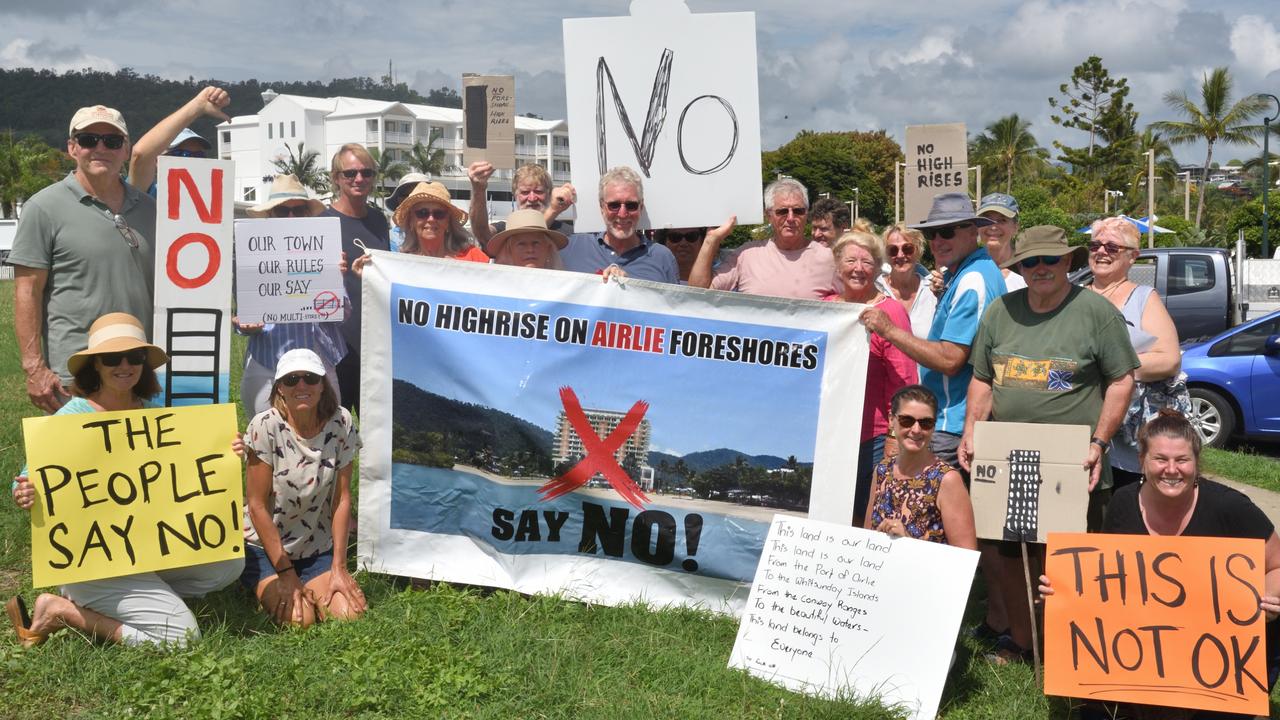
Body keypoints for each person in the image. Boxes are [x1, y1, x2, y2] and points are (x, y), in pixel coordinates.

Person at [7, 313, 243, 647]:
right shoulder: (72, 416)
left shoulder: (155, 412)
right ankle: (65, 610)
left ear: (144, 364)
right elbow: (25, 479)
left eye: (134, 357)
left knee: (228, 563)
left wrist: (227, 450)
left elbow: (185, 467)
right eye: (112, 358)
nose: (124, 365)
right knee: (183, 638)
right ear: (96, 366)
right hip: (91, 559)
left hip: (142, 547)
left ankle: (143, 594)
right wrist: (24, 492)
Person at [960, 225, 1139, 665]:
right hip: (1007, 454)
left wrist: (1100, 442)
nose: (1040, 269)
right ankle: (1022, 641)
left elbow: (1122, 379)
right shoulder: (1000, 312)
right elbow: (983, 377)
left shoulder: (1096, 313)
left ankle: (1071, 646)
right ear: (1019, 267)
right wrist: (971, 430)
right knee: (1005, 553)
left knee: (1067, 556)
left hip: (1073, 459)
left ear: (1068, 263)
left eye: (1050, 260)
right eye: (1030, 261)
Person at [1038, 410, 1280, 719]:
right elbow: (1108, 584)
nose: (1171, 470)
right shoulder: (1124, 502)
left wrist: (1266, 601)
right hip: (1145, 651)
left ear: (1197, 462)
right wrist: (1063, 590)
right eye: (1160, 459)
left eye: (1182, 460)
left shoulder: (1229, 507)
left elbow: (1276, 566)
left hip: (1216, 657)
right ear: (1142, 460)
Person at [8, 105, 157, 414]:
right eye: (89, 139)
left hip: (139, 372)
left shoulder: (150, 209)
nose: (100, 148)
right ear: (72, 148)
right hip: (75, 378)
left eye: (112, 141)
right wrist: (34, 367)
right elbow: (27, 291)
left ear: (126, 149)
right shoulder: (43, 208)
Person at [859, 192, 1004, 469]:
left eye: (946, 232)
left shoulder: (973, 279)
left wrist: (889, 330)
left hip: (951, 424)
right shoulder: (969, 272)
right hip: (953, 420)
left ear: (973, 231)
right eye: (932, 233)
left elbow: (950, 359)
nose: (938, 241)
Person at [241, 349, 365, 627]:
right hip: (263, 546)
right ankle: (256, 580)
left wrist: (339, 567)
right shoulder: (264, 426)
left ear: (323, 384)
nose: (301, 386)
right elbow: (257, 505)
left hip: (315, 544)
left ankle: (314, 579)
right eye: (291, 379)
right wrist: (286, 574)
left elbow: (343, 499)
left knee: (350, 615)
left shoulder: (342, 422)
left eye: (310, 378)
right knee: (301, 620)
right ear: (280, 389)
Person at [234, 175, 346, 415]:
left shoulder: (325, 252)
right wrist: (244, 325)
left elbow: (343, 315)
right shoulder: (255, 256)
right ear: (271, 215)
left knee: (324, 441)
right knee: (265, 440)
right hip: (267, 362)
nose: (291, 217)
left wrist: (336, 282)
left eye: (299, 210)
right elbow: (244, 316)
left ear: (308, 214)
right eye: (283, 211)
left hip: (318, 363)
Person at [826, 231, 917, 524]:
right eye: (850, 260)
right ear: (837, 266)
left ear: (878, 269)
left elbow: (905, 380)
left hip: (874, 437)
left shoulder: (890, 311)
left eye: (867, 262)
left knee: (871, 519)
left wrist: (894, 437)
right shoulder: (824, 307)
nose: (858, 268)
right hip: (831, 436)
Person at [1086, 217, 1184, 488]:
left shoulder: (1143, 297)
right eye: (1095, 245)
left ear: (1133, 257)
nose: (1101, 251)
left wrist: (1107, 368)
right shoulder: (1075, 295)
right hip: (1082, 423)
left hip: (1126, 440)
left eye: (1112, 247)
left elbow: (1169, 359)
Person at [323, 143, 390, 415]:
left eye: (366, 172)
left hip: (374, 345)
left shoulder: (379, 220)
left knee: (375, 432)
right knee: (331, 433)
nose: (359, 179)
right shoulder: (321, 220)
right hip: (334, 346)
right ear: (336, 178)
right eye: (350, 173)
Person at [867, 385, 976, 550]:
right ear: (891, 420)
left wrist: (909, 544)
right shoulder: (882, 471)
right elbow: (866, 536)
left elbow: (966, 557)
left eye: (925, 423)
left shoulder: (946, 479)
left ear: (934, 426)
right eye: (906, 421)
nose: (916, 430)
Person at [689, 177, 836, 299]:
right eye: (782, 211)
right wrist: (710, 240)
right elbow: (696, 294)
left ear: (806, 214)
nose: (791, 218)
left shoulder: (828, 258)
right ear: (769, 215)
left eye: (798, 211)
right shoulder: (746, 255)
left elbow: (852, 301)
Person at [560, 166, 680, 283]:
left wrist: (633, 288)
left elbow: (675, 302)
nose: (622, 214)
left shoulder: (662, 257)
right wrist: (552, 209)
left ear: (641, 207)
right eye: (614, 205)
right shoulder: (573, 246)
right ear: (602, 206)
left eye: (631, 205)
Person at [128, 86, 230, 195]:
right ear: (157, 161)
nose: (191, 162)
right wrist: (198, 105)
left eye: (198, 156)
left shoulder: (211, 200)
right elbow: (140, 155)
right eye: (181, 155)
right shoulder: (148, 195)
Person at [468, 162, 576, 249]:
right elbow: (482, 233)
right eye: (525, 192)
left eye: (538, 191)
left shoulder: (571, 234)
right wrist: (478, 189)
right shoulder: (505, 229)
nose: (532, 198)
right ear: (515, 195)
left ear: (549, 194)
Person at [388, 182, 488, 262]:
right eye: (422, 213)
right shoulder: (401, 264)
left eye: (439, 214)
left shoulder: (473, 257)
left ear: (448, 221)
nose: (431, 219)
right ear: (411, 220)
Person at [881, 223, 937, 341]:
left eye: (907, 249)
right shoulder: (876, 289)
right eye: (893, 250)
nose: (900, 255)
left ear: (918, 250)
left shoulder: (932, 291)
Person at [976, 193, 1026, 292]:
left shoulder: (1028, 270)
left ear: (1016, 227)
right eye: (987, 219)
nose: (993, 227)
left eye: (1002, 220)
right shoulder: (963, 268)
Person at [489, 209, 568, 269]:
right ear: (509, 250)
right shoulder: (494, 287)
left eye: (536, 243)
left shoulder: (565, 286)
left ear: (548, 248)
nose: (530, 249)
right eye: (521, 244)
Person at [384, 172, 430, 251]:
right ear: (400, 201)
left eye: (422, 195)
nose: (415, 200)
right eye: (409, 196)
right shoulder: (388, 240)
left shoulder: (448, 238)